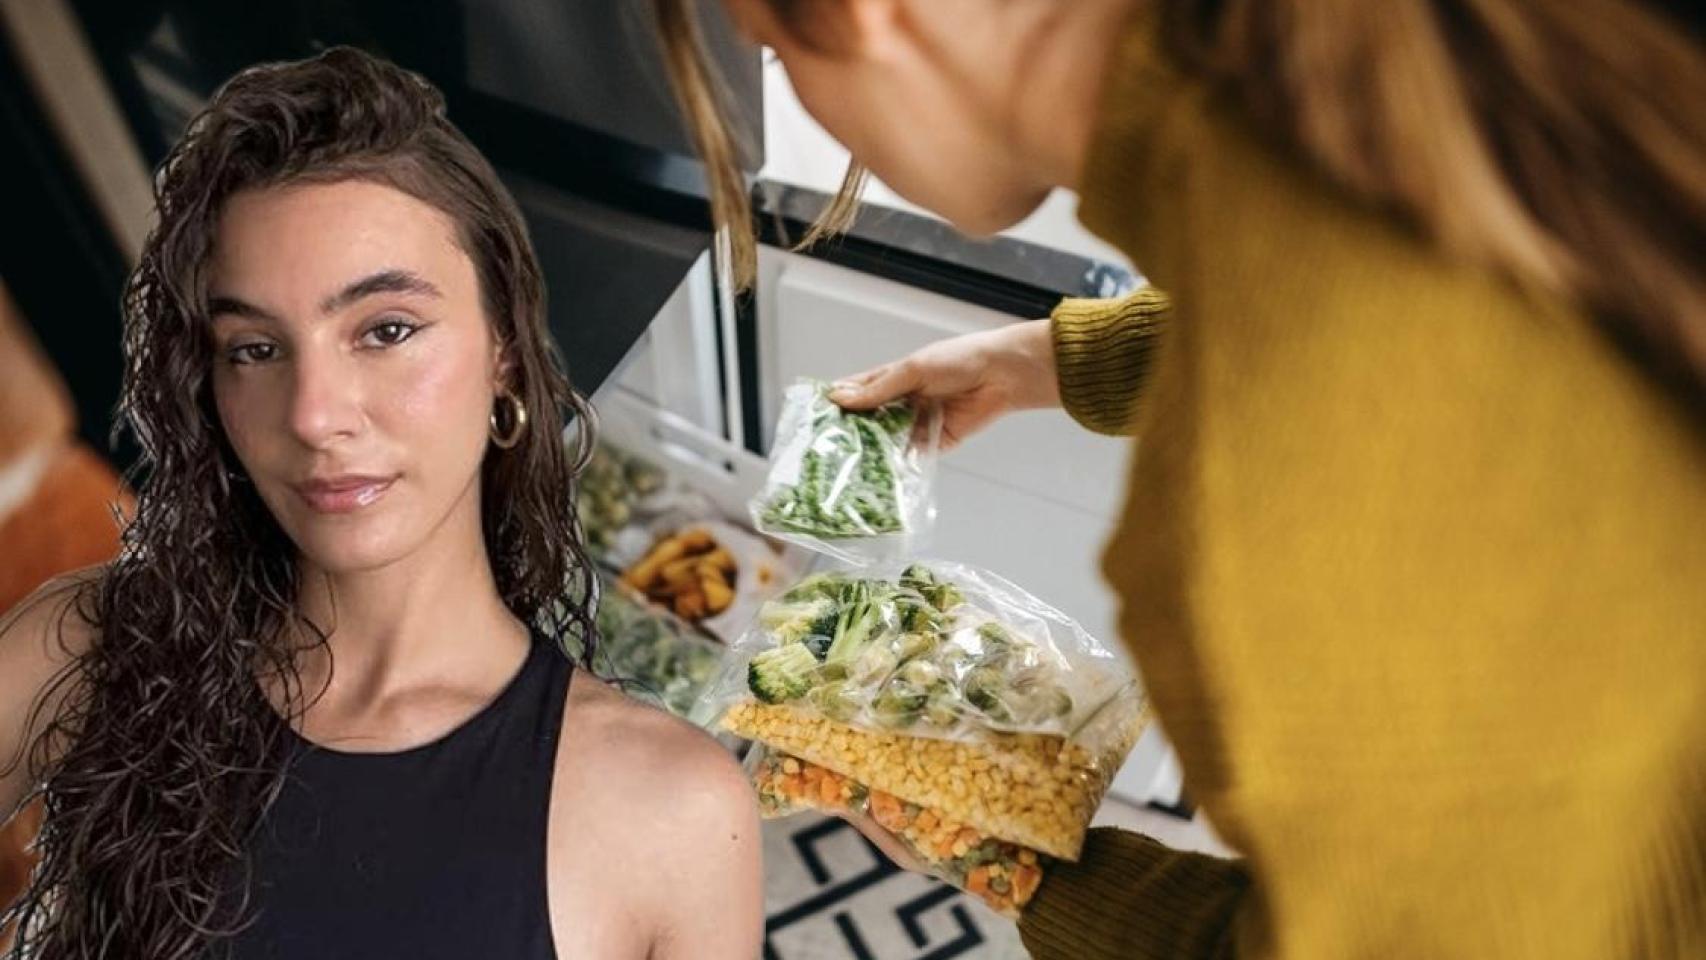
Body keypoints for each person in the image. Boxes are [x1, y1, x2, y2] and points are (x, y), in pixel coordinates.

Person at [653, 0, 1706, 957]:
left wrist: (1011, 865)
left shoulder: (1286, 498)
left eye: (775, 53)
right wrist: (1055, 359)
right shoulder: (1374, 91)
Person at [0, 47, 762, 960]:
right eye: (254, 349)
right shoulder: (87, 649)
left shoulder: (674, 807)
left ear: (504, 350)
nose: (314, 415)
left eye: (386, 330)